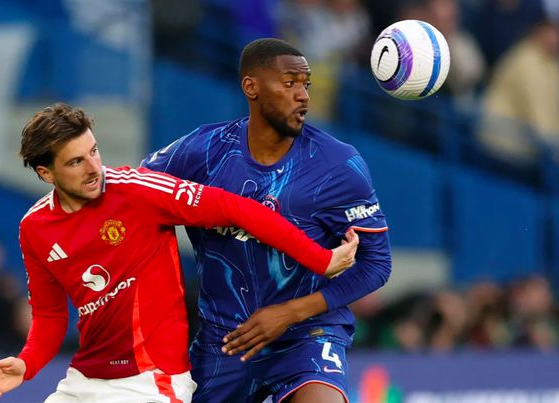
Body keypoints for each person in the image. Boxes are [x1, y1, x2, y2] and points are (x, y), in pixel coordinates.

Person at [0, 103, 359, 403]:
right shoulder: (35, 228)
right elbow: (50, 316)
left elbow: (237, 209)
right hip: (84, 381)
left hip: (152, 383)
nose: (95, 168)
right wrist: (27, 363)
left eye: (94, 151)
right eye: (76, 162)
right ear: (46, 174)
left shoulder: (137, 191)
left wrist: (320, 259)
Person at [142, 38, 392, 402]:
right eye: (289, 83)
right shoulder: (203, 152)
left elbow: (377, 263)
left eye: (306, 84)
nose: (303, 95)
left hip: (306, 335)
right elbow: (133, 195)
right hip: (225, 342)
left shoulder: (338, 165)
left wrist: (290, 312)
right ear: (251, 87)